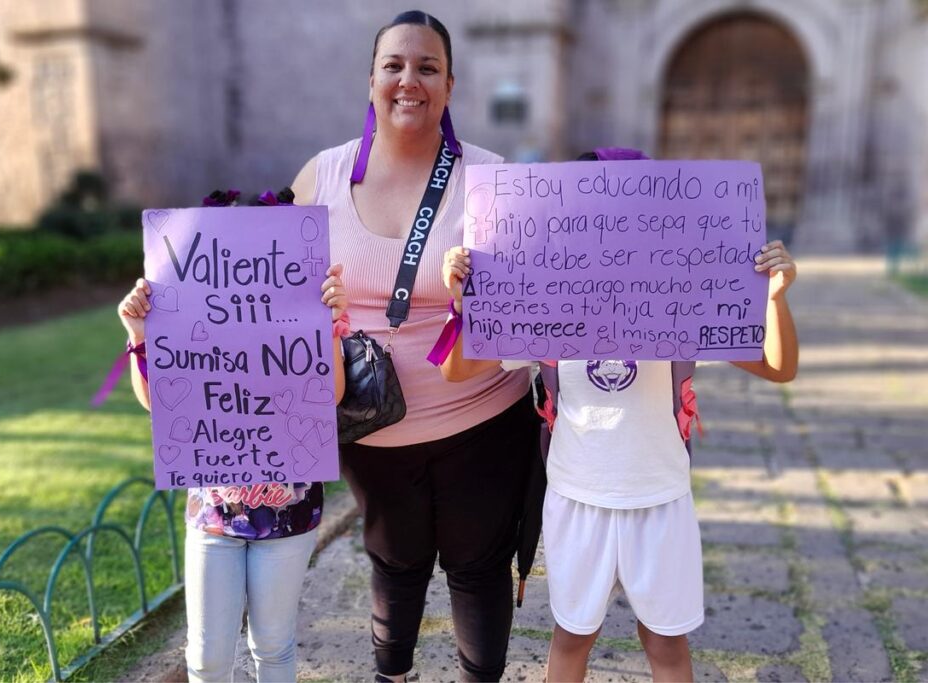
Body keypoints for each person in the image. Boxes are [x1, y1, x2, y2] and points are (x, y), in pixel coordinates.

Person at [440, 152, 799, 681]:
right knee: (571, 639)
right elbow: (457, 370)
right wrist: (463, 302)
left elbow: (778, 367)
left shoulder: (680, 298)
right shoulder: (545, 301)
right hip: (578, 496)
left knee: (665, 643)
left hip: (659, 496)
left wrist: (775, 298)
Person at [291, 10, 538, 682]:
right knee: (393, 564)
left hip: (484, 422)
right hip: (370, 429)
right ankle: (390, 674)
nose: (410, 80)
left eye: (427, 67)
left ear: (450, 85)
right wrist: (162, 308)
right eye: (394, 66)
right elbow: (267, 290)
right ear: (370, 81)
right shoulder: (318, 177)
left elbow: (531, 307)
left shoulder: (492, 180)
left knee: (478, 567)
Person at [117, 189, 350, 683]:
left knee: (272, 646)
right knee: (206, 658)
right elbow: (156, 401)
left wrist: (325, 328)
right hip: (213, 511)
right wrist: (141, 334)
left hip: (289, 512)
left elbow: (328, 394)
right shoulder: (188, 317)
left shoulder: (309, 312)